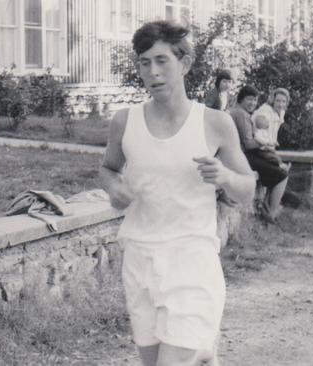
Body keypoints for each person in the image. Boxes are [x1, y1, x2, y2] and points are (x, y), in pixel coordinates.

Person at [100, 20, 255, 366]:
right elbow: (108, 169)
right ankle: (204, 354)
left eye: (161, 60)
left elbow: (247, 187)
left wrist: (225, 176)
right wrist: (114, 187)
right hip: (140, 259)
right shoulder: (124, 122)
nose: (152, 71)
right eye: (144, 62)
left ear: (183, 64)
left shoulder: (215, 123)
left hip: (192, 260)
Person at [229, 85, 288, 223]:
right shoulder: (241, 115)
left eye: (255, 100)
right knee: (282, 175)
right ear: (241, 99)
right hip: (243, 156)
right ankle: (270, 215)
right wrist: (266, 143)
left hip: (241, 154)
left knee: (277, 166)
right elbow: (249, 145)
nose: (253, 103)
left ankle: (266, 209)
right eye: (249, 99)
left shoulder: (238, 112)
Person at [251, 88, 292, 172]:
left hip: (268, 148)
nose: (280, 104)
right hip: (258, 148)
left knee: (279, 165)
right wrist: (268, 143)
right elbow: (258, 131)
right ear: (273, 100)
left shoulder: (281, 112)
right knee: (278, 166)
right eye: (278, 101)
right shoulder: (266, 110)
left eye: (283, 101)